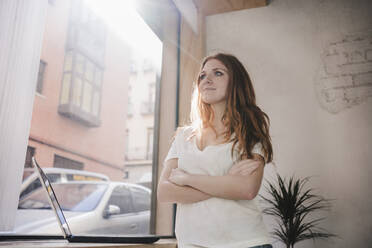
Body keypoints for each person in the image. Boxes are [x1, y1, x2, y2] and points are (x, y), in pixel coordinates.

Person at [157, 53, 273, 248]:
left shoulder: (249, 131)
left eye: (218, 73)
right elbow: (164, 192)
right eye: (202, 76)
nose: (206, 80)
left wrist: (187, 180)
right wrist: (227, 181)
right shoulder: (183, 136)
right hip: (191, 243)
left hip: (245, 243)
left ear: (236, 82)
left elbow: (246, 189)